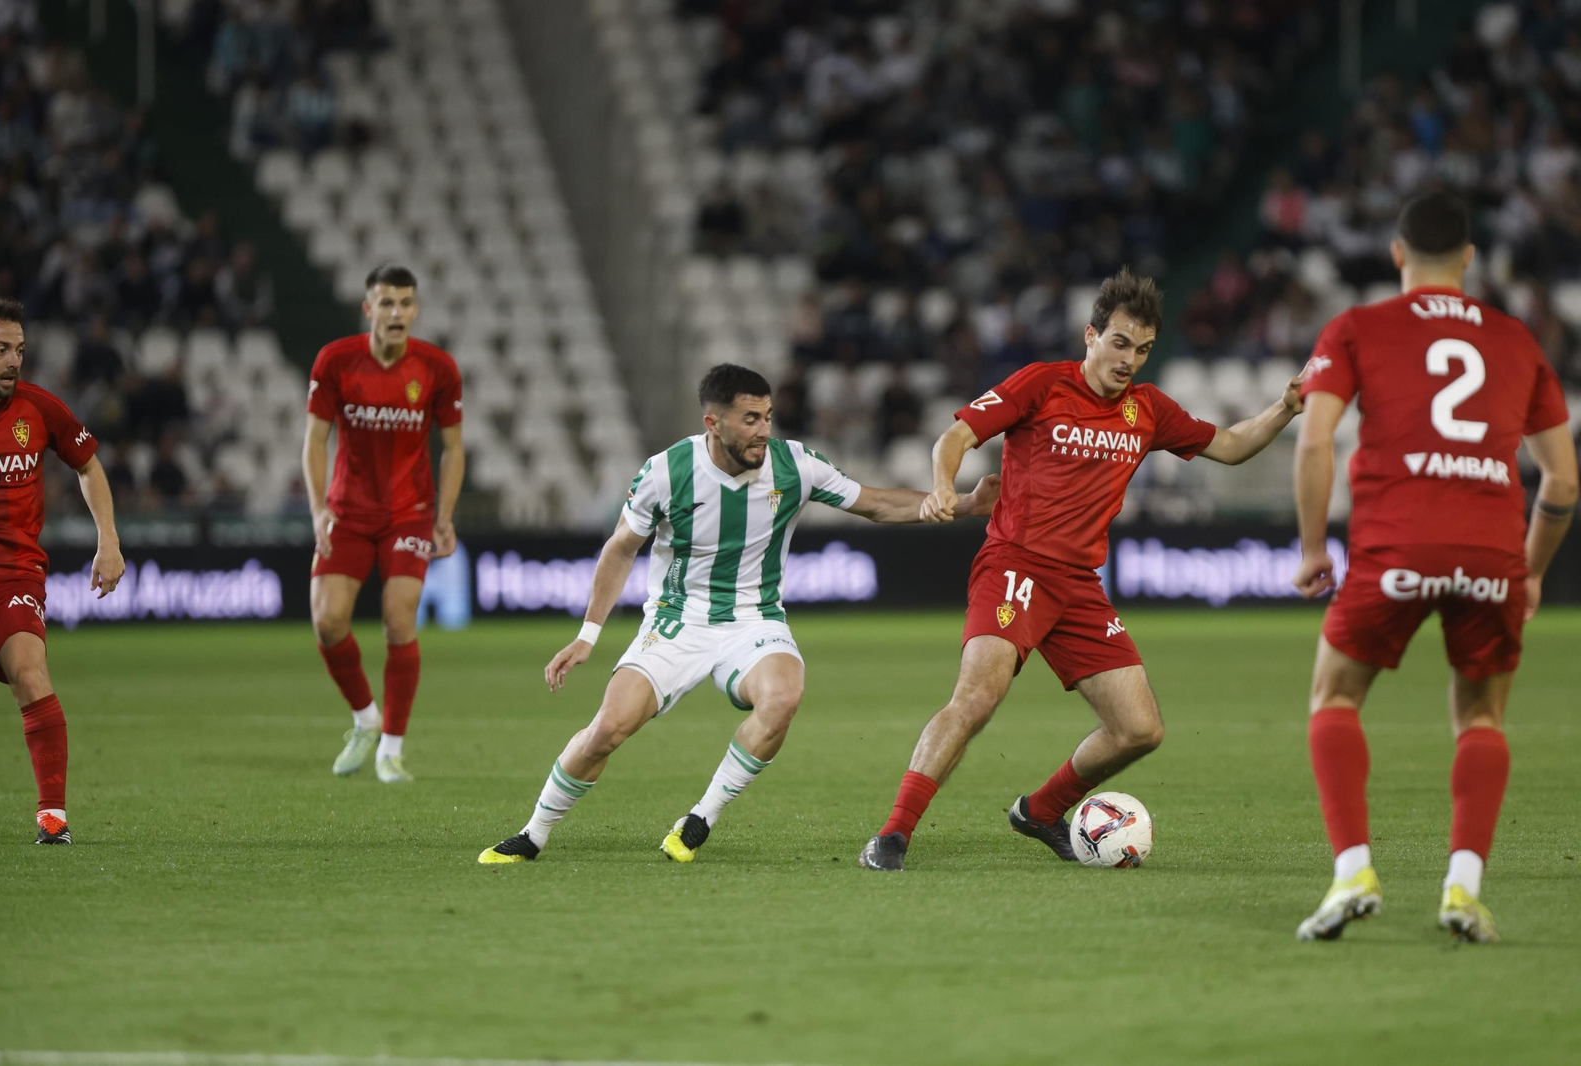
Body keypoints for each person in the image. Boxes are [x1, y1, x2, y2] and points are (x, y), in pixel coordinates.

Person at [859, 267, 1303, 872]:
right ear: (1090, 335)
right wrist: (942, 488)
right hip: (1014, 565)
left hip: (1078, 586)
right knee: (977, 699)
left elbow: (1231, 445)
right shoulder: (1042, 384)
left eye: (1142, 349)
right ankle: (892, 835)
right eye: (1120, 343)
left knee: (1139, 730)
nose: (1129, 360)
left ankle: (1039, 811)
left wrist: (1283, 407)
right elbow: (956, 436)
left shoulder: (1147, 410)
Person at [477, 363, 999, 865]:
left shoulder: (794, 464)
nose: (763, 430)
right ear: (714, 422)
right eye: (750, 419)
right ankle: (533, 834)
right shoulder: (665, 472)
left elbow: (877, 504)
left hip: (754, 617)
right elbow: (620, 549)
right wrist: (588, 634)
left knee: (782, 697)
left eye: (767, 416)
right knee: (608, 730)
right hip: (676, 620)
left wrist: (967, 505)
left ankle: (700, 818)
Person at [1291, 191, 1576, 944]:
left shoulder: (1357, 327)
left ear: (1396, 255)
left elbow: (1315, 441)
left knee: (1335, 698)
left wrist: (1315, 547)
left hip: (1396, 544)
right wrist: (1533, 571)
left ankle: (1353, 870)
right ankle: (1463, 889)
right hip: (1491, 550)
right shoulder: (1517, 340)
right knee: (1481, 716)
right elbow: (1564, 481)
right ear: (1471, 259)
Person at [302, 264, 464, 784]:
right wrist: (318, 510)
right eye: (387, 303)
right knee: (327, 623)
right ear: (368, 309)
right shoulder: (336, 361)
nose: (397, 313)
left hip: (408, 512)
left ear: (415, 310)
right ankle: (365, 718)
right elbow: (314, 440)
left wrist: (443, 516)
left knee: (399, 617)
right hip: (347, 511)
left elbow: (454, 450)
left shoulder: (437, 368)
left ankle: (390, 748)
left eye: (406, 303)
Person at [0, 297, 124, 843]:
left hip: (12, 573)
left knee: (31, 673)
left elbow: (88, 464)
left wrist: (107, 541)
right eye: (0, 350)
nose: (13, 361)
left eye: (19, 349)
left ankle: (53, 818)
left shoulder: (37, 408)